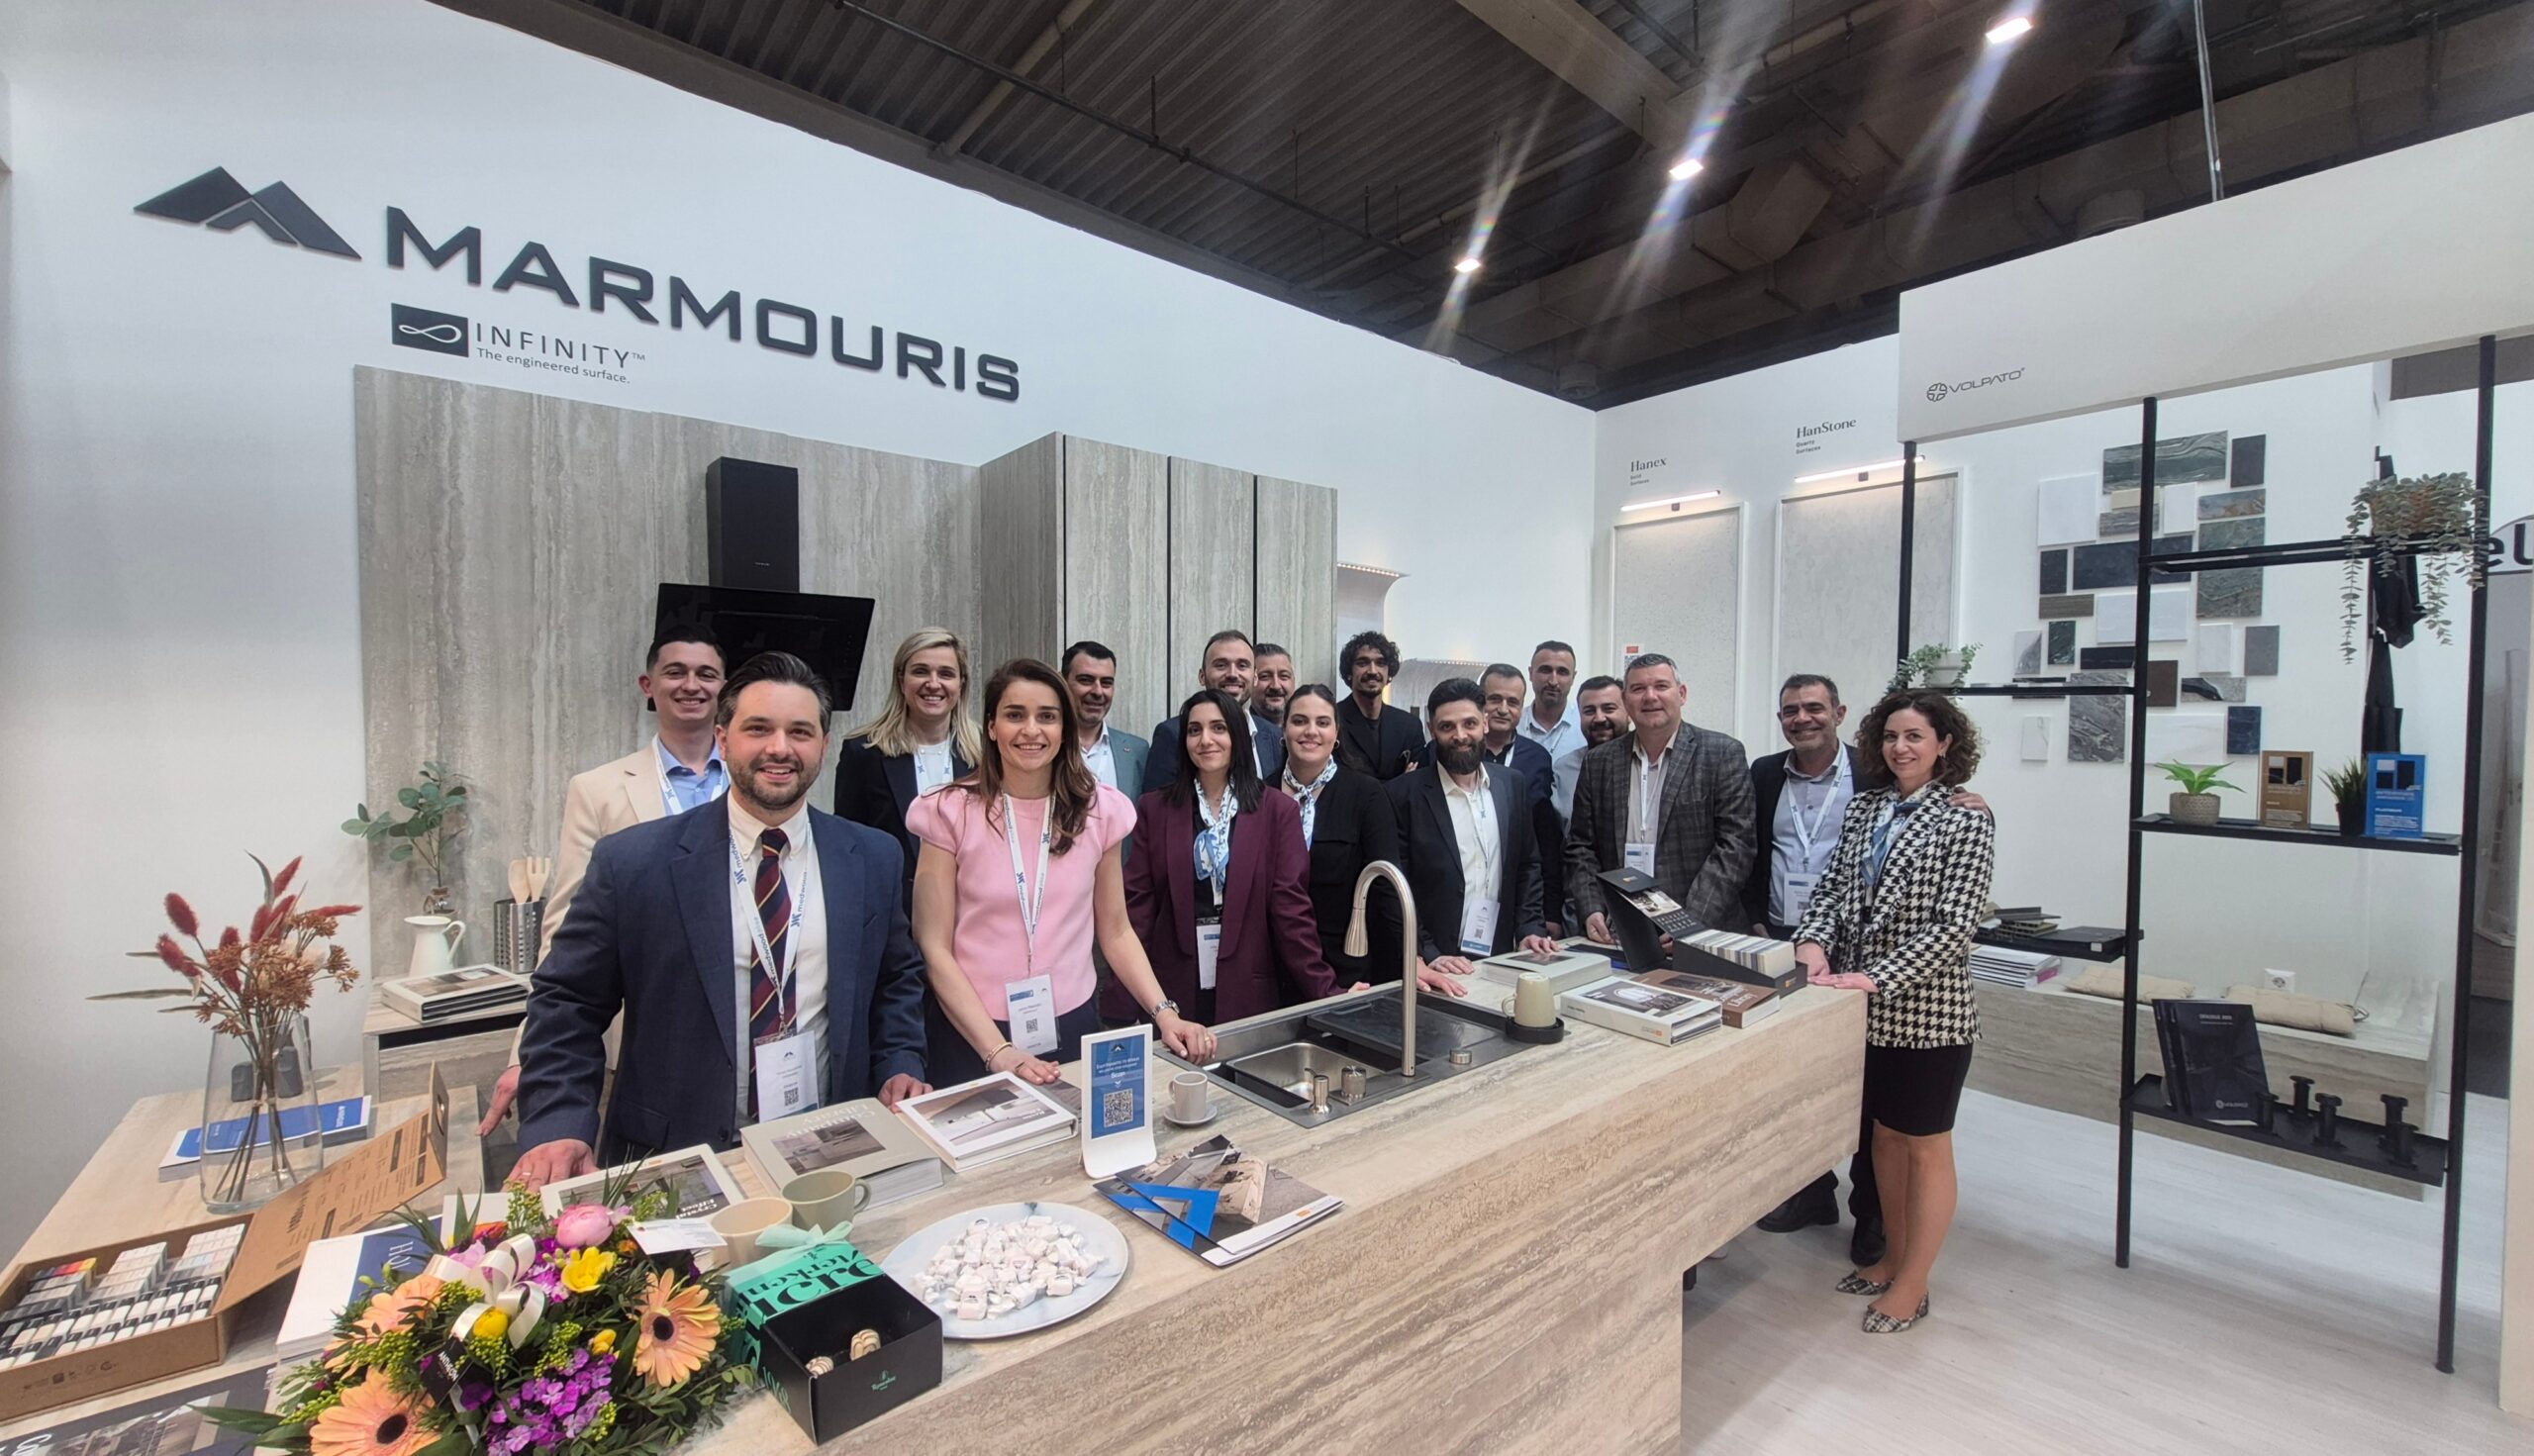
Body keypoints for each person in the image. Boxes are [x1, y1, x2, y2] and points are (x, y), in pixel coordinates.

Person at [512, 652, 929, 1185]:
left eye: (800, 732)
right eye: (759, 729)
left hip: (831, 1145)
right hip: (677, 1159)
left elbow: (895, 979)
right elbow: (567, 1002)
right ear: (723, 739)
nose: (780, 748)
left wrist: (900, 1063)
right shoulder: (635, 862)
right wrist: (558, 1122)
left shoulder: (872, 856)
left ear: (824, 746)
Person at [1792, 690, 1994, 1335]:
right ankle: (1890, 1260)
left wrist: (1876, 976)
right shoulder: (1866, 807)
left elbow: (1954, 926)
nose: (1900, 747)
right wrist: (1812, 943)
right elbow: (1831, 891)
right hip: (1862, 1010)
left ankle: (1914, 1282)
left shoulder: (1966, 819)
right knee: (1883, 1140)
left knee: (1924, 1148)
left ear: (1944, 745)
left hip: (1929, 1013)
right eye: (1891, 736)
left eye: (1915, 736)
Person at [909, 659, 1213, 1087]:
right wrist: (998, 1051)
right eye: (1015, 715)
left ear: (1065, 729)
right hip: (971, 1031)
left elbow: (1116, 930)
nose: (1031, 730)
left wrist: (1165, 1013)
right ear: (991, 726)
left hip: (1070, 1022)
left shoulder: (1100, 811)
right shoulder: (948, 811)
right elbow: (933, 945)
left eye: (1047, 717)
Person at [478, 626, 726, 1136]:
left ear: (724, 687)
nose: (691, 685)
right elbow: (566, 928)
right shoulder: (598, 789)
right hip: (646, 1031)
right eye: (675, 672)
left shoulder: (761, 779)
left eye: (706, 674)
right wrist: (529, 1052)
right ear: (648, 685)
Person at [1120, 689, 1349, 1023]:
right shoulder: (1155, 809)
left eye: (1219, 728)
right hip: (1171, 993)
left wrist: (1327, 992)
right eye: (1194, 730)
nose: (1205, 740)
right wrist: (1120, 1006)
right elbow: (1137, 910)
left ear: (1238, 737)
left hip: (1248, 991)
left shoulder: (1276, 811)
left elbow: (1292, 913)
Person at [1567, 653, 1757, 944]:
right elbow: (1581, 846)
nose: (1650, 697)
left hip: (1702, 932)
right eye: (1638, 689)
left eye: (1661, 686)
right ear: (1626, 701)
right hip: (1619, 930)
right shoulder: (1599, 762)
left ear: (1682, 694)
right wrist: (1591, 907)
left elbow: (1736, 846)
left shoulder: (1722, 753)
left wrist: (1690, 922)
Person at [1277, 684, 1449, 992]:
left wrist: (1412, 956)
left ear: (1336, 733)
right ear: (1284, 729)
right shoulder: (1260, 794)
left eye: (1322, 722)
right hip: (1274, 962)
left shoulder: (1367, 794)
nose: (1311, 731)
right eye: (1299, 721)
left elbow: (1387, 881)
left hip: (1345, 965)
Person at [1389, 679, 1560, 986]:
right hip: (1434, 964)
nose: (1460, 736)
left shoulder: (1512, 784)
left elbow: (1528, 865)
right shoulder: (1401, 795)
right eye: (1447, 727)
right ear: (1431, 730)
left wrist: (1529, 928)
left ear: (1484, 723)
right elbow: (1396, 887)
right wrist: (1425, 951)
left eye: (1469, 723)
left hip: (1499, 956)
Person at [832, 628, 981, 907]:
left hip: (969, 914)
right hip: (894, 915)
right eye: (921, 672)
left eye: (946, 674)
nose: (933, 684)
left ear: (961, 684)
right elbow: (847, 847)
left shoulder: (985, 754)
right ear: (901, 680)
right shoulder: (864, 753)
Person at [1479, 663, 1567, 936]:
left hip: (1520, 883)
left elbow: (1546, 838)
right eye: (1494, 699)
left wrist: (1549, 911)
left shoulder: (1537, 758)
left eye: (1513, 702)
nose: (1503, 709)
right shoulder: (1457, 751)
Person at [1143, 630, 1286, 790]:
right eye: (1221, 665)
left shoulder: (1275, 736)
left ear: (1255, 678)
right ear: (1202, 676)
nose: (1232, 674)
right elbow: (1158, 802)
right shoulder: (1172, 734)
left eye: (1242, 665)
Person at [1061, 639, 1148, 797]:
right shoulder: (1044, 745)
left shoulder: (1137, 750)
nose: (1098, 691)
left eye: (1106, 683)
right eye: (1086, 680)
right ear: (1063, 682)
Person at [1335, 630, 1421, 780]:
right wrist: (1399, 783)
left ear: (1389, 673)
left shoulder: (1410, 726)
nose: (1372, 671)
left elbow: (1417, 784)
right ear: (1349, 672)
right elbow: (1337, 784)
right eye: (1363, 663)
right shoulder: (1332, 720)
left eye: (1380, 663)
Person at [1516, 640, 1585, 818]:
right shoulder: (1513, 726)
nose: (1553, 681)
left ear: (1573, 677)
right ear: (1530, 673)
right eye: (1545, 670)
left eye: (1562, 672)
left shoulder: (1585, 727)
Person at [1251, 642, 1298, 726]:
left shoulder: (1308, 730)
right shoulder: (1238, 730)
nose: (1276, 686)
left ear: (1293, 681)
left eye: (1284, 676)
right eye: (1265, 676)